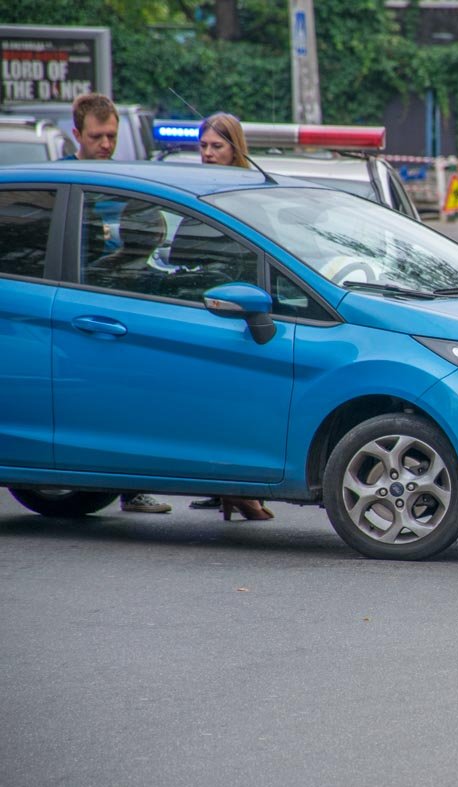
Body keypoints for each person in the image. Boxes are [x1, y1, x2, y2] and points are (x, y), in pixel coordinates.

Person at [62, 93, 173, 515]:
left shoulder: (122, 183)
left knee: (130, 403)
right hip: (74, 315)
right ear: (77, 134)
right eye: (97, 136)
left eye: (111, 136)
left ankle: (131, 487)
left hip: (120, 313)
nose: (105, 144)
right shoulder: (68, 182)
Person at [191, 112, 273, 522]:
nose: (207, 154)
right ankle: (232, 489)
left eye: (216, 146)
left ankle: (240, 489)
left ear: (235, 148)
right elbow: (182, 254)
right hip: (209, 314)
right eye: (203, 146)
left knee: (249, 405)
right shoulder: (195, 194)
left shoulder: (250, 194)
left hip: (248, 314)